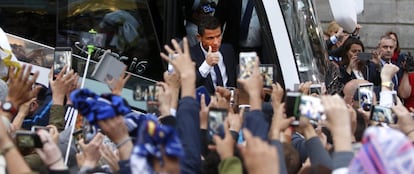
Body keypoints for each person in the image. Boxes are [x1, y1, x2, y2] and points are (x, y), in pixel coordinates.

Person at [190, 15, 237, 94]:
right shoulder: (191, 55)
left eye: (218, 36)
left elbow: (235, 80)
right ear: (199, 37)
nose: (216, 42)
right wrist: (206, 65)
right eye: (210, 38)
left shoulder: (228, 50)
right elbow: (188, 85)